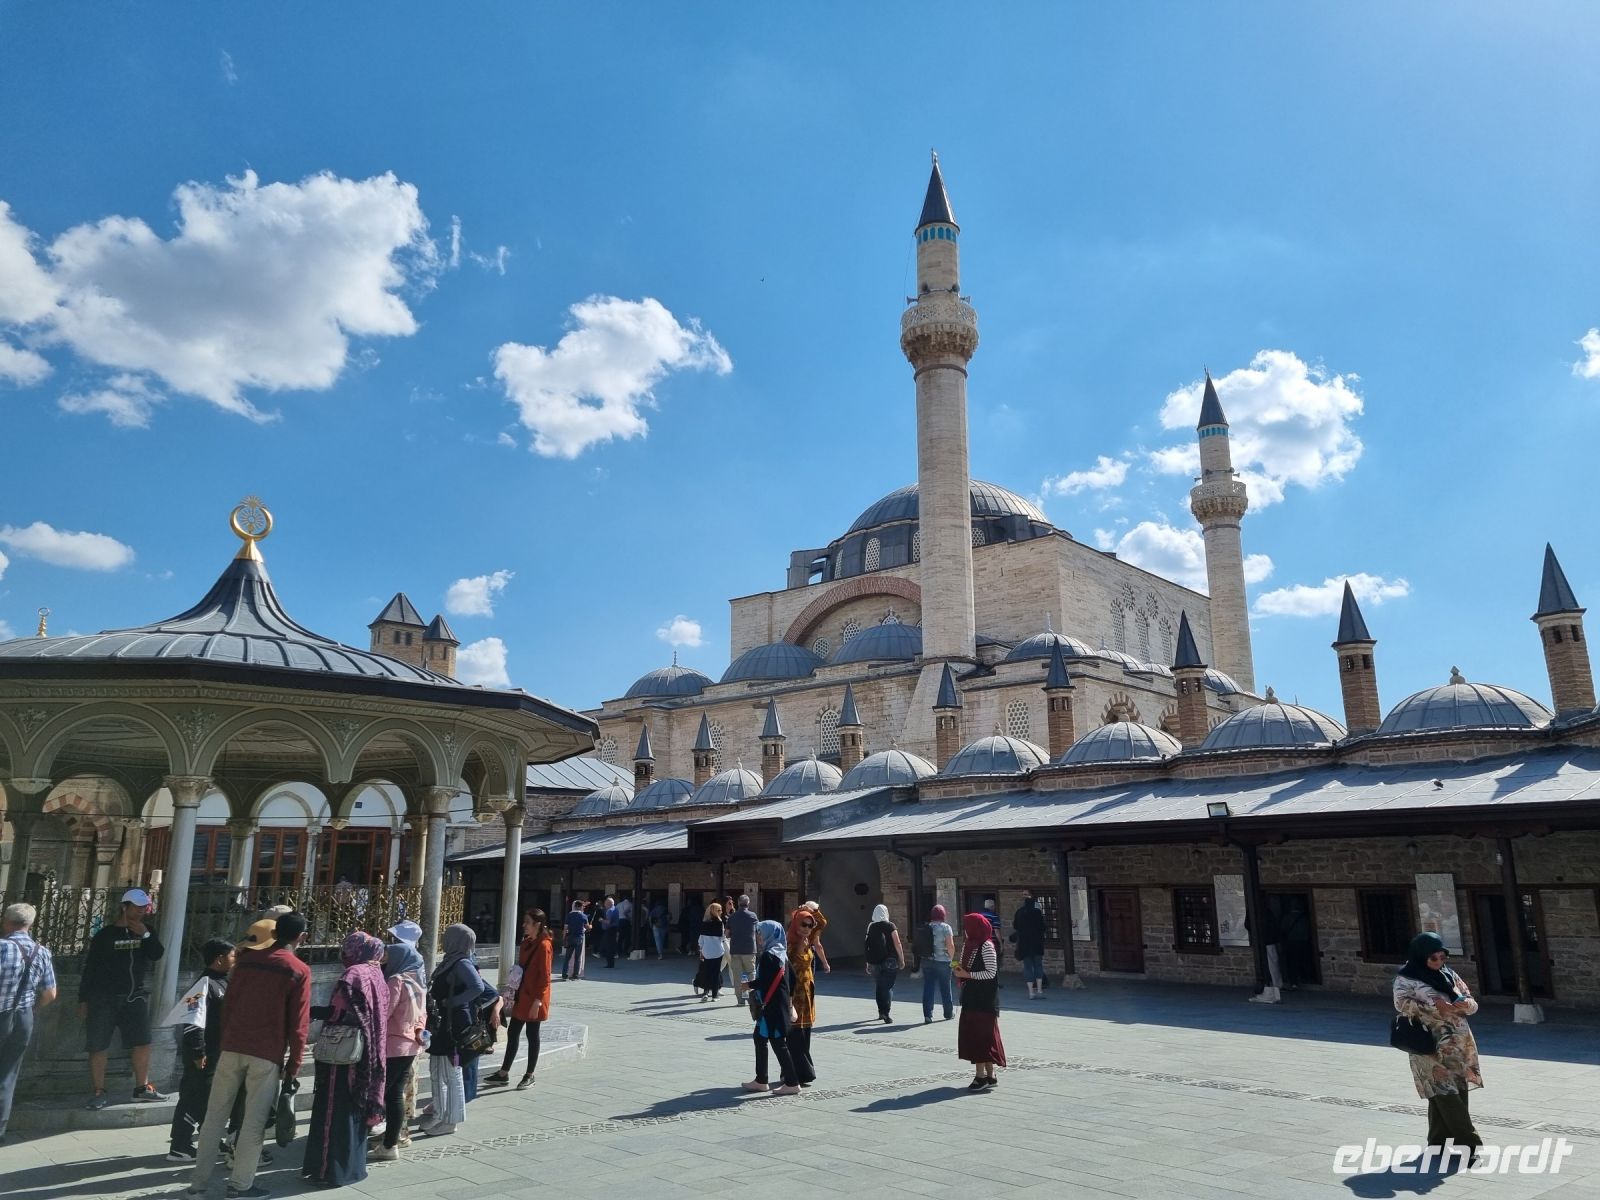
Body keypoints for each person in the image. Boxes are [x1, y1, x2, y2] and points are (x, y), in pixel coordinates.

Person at [189, 911, 312, 1200]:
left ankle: (197, 1185)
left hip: (232, 1047)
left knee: (214, 1118)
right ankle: (240, 1185)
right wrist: (294, 1064)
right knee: (253, 1122)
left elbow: (229, 1006)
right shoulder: (298, 969)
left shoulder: (244, 962)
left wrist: (225, 1041)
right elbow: (299, 1025)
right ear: (301, 937)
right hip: (265, 1053)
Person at [303, 932, 390, 1187]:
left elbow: (339, 1013)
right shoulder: (377, 974)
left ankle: (330, 1170)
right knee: (356, 1106)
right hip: (369, 1054)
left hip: (345, 1055)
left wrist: (310, 1013)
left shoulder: (353, 975)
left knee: (334, 1109)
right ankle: (353, 1167)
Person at [1394, 932, 1483, 1159]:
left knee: (1456, 1090)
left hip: (1458, 1042)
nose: (1439, 962)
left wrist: (1465, 1005)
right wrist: (1435, 1007)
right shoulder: (1406, 978)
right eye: (1433, 958)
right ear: (1421, 955)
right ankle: (1469, 1144)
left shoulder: (1448, 974)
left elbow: (1470, 1001)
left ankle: (1437, 1142)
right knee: (1445, 1092)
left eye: (1443, 957)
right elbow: (1402, 1005)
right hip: (1428, 1043)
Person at [79, 886, 165, 1108]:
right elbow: (91, 968)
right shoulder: (105, 935)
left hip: (133, 996)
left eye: (143, 908)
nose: (140, 912)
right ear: (124, 907)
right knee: (98, 1045)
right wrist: (83, 999)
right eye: (136, 908)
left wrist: (144, 934)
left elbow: (156, 953)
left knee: (143, 1041)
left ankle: (142, 1087)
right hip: (103, 997)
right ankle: (99, 1090)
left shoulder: (147, 932)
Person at [165, 939, 235, 1162]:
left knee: (210, 1099)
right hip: (204, 1055)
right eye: (232, 956)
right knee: (194, 1097)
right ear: (219, 959)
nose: (235, 960)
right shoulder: (204, 984)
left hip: (219, 1053)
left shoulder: (222, 982)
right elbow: (192, 1021)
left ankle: (210, 1140)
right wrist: (198, 1052)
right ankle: (180, 1145)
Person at [424, 924, 491, 1137]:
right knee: (437, 1069)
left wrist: (452, 1001)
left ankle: (452, 1120)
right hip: (443, 1022)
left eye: (447, 936)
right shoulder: (450, 960)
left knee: (451, 1072)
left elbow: (478, 987)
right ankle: (440, 1112)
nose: (444, 939)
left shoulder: (462, 962)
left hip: (455, 1023)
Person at [0, 902, 57, 1145]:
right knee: (7, 1074)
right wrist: (31, 1009)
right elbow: (50, 993)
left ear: (6, 922)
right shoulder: (41, 951)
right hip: (22, 1018)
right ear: (30, 924)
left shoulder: (1, 947)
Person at [371, 936, 426, 1162]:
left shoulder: (397, 980)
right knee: (395, 1094)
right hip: (411, 1045)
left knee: (385, 1093)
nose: (385, 960)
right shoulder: (417, 981)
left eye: (389, 956)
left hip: (393, 1044)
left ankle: (388, 1141)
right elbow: (423, 1015)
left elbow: (385, 1012)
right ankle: (391, 1143)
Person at [487, 908, 553, 1090]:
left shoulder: (544, 945)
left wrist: (538, 1001)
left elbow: (545, 977)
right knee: (513, 1032)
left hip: (535, 998)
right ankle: (503, 1073)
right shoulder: (526, 943)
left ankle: (530, 1074)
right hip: (522, 995)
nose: (523, 925)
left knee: (532, 1035)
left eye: (527, 922)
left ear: (537, 925)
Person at [742, 919, 800, 1096]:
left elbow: (765, 981)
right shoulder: (781, 954)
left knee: (777, 1043)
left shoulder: (769, 956)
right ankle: (761, 1080)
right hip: (777, 1005)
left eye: (760, 933)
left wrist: (749, 984)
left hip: (771, 1007)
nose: (758, 936)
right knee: (760, 1038)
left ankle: (792, 1082)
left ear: (768, 934)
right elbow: (794, 979)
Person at [954, 912, 1006, 1091]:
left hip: (984, 998)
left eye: (968, 927)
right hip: (971, 996)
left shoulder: (986, 946)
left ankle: (981, 1076)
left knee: (982, 1036)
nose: (966, 931)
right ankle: (990, 1075)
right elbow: (965, 967)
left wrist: (968, 975)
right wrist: (958, 968)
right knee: (975, 1035)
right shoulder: (969, 946)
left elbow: (991, 973)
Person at [785, 905, 826, 1084]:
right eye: (803, 924)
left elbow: (821, 923)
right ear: (796, 924)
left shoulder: (808, 940)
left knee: (806, 1034)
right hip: (796, 994)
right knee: (796, 1037)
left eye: (809, 925)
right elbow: (789, 972)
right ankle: (797, 1072)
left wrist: (813, 910)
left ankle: (800, 1071)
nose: (807, 928)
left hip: (808, 993)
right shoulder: (791, 944)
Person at [863, 905, 906, 1023]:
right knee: (888, 987)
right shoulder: (890, 926)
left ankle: (881, 1011)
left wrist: (868, 962)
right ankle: (886, 1012)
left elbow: (867, 945)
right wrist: (901, 959)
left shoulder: (871, 926)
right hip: (890, 961)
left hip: (875, 961)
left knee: (879, 985)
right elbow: (897, 943)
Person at [919, 904, 956, 1024]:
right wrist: (952, 959)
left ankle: (927, 1015)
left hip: (927, 961)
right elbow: (950, 945)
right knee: (945, 987)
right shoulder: (946, 927)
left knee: (928, 987)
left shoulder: (927, 927)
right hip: (943, 961)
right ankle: (948, 1013)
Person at [1012, 892, 1047, 1000]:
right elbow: (1043, 927)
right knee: (1038, 965)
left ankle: (1031, 992)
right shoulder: (1037, 912)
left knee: (1028, 967)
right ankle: (1040, 990)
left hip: (1024, 943)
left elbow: (1015, 926)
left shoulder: (1019, 912)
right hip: (1037, 943)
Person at [727, 895, 759, 1003]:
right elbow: (757, 931)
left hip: (735, 949)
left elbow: (726, 934)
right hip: (749, 949)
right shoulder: (753, 916)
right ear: (748, 903)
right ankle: (752, 997)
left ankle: (740, 1000)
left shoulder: (732, 916)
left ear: (738, 903)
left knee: (737, 975)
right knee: (751, 972)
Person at [695, 903, 726, 1001]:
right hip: (717, 951)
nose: (721, 912)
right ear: (715, 911)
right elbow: (722, 938)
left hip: (707, 951)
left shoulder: (705, 923)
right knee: (716, 973)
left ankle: (705, 993)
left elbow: (701, 940)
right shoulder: (720, 923)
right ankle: (714, 995)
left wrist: (701, 950)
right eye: (719, 910)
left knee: (707, 972)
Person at [561, 900, 588, 980]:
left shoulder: (569, 915)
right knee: (577, 957)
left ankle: (564, 974)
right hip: (579, 938)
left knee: (567, 957)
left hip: (570, 937)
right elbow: (587, 927)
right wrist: (590, 926)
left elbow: (565, 928)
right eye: (582, 906)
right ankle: (575, 975)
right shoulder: (583, 916)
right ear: (580, 907)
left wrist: (564, 937)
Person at [598, 897, 620, 968]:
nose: (604, 904)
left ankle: (610, 963)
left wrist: (601, 920)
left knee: (609, 946)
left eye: (605, 903)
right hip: (613, 929)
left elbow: (609, 922)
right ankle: (611, 962)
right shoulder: (615, 909)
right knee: (610, 946)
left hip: (610, 929)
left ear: (609, 903)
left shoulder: (610, 911)